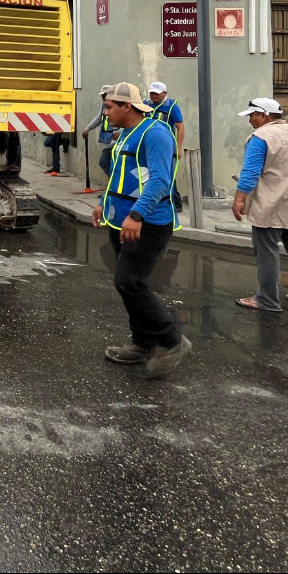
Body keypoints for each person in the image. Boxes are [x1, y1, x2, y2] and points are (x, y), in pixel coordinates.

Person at [89, 81, 192, 376]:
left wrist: (136, 215)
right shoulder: (125, 134)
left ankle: (172, 341)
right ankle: (141, 343)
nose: (105, 112)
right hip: (120, 219)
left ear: (127, 106)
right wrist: (102, 202)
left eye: (109, 107)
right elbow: (118, 175)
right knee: (127, 283)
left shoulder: (156, 133)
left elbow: (160, 180)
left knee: (130, 282)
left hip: (147, 221)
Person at [232, 98, 288, 313]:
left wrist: (239, 199)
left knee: (267, 251)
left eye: (252, 115)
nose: (250, 121)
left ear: (263, 115)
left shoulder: (261, 137)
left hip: (272, 202)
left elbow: (250, 172)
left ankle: (267, 299)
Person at [146, 81, 185, 212]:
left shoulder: (172, 106)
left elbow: (180, 127)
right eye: (152, 93)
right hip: (148, 145)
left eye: (157, 94)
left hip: (166, 147)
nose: (154, 96)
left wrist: (179, 148)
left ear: (165, 93)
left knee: (167, 174)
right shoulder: (145, 105)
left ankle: (175, 202)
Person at [81, 85, 119, 176]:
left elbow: (126, 120)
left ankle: (117, 185)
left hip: (117, 142)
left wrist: (120, 133)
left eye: (105, 95)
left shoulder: (118, 105)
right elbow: (99, 118)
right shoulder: (104, 106)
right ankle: (115, 184)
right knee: (104, 163)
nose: (103, 97)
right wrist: (87, 129)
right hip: (107, 141)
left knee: (116, 164)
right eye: (102, 96)